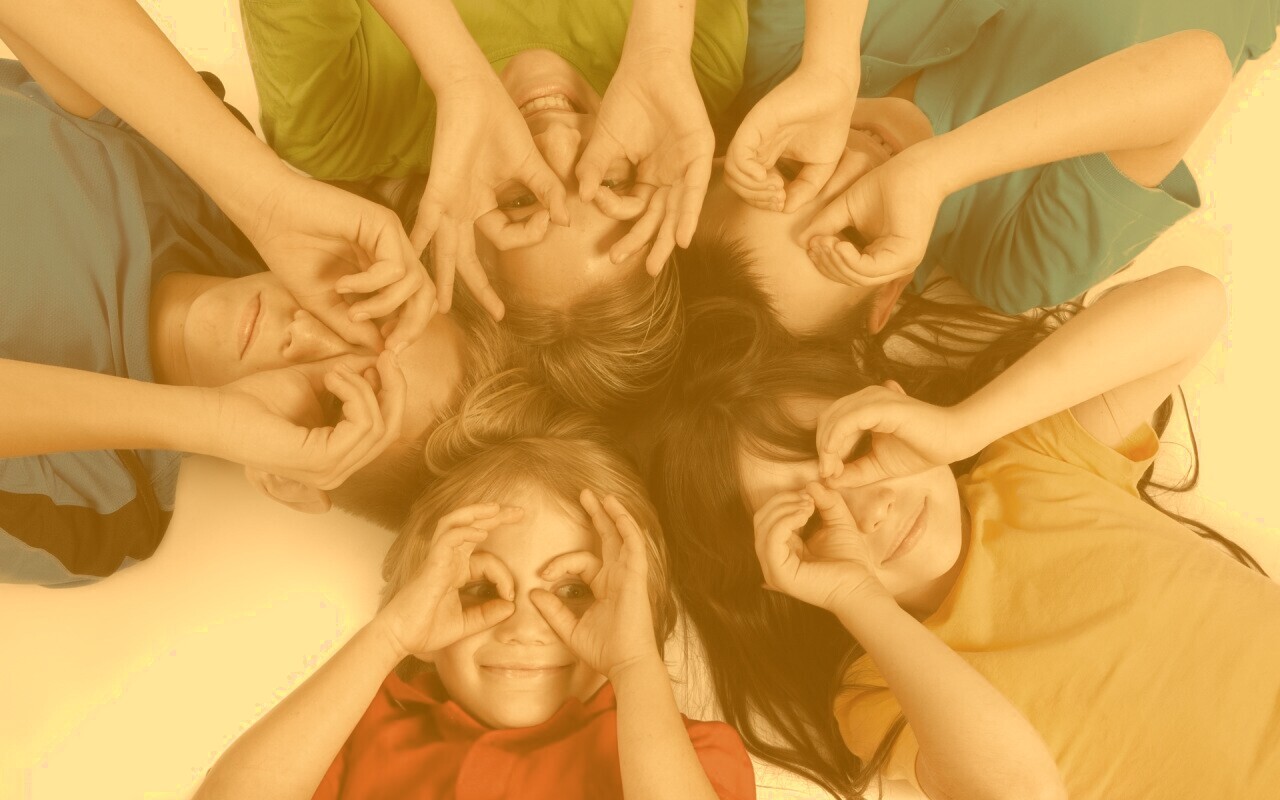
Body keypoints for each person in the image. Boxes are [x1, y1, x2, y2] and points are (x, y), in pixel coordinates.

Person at [650, 267, 1278, 797]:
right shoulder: (878, 691)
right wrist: (854, 595)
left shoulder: (1032, 460)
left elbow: (1196, 302)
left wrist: (963, 427)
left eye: (860, 447)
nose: (871, 509)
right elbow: (1022, 790)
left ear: (893, 404)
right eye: (812, 518)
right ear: (780, 574)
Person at [0, 46, 504, 586]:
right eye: (367, 312)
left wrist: (210, 420)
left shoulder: (104, 508)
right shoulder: (211, 184)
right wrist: (265, 197)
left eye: (336, 402)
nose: (304, 332)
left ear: (293, 482)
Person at [193, 371, 756, 800]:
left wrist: (634, 664)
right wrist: (390, 636)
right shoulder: (360, 730)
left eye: (572, 591)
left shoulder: (687, 755)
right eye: (480, 588)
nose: (523, 628)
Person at [237, 0, 748, 411]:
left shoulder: (336, 120)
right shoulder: (687, 77)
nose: (558, 141)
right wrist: (660, 42)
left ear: (454, 239)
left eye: (521, 199)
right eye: (609, 178)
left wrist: (456, 71)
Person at [697, 30, 1234, 338]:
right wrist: (936, 168)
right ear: (889, 290)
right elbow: (1202, 66)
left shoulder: (780, 61)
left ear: (725, 156)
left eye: (790, 174)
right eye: (853, 235)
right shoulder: (1017, 258)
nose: (857, 164)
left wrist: (828, 59)